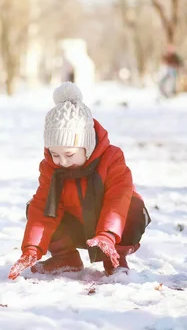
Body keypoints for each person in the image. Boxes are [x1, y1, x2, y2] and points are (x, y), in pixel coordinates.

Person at [9, 82, 150, 280]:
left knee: (132, 206)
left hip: (113, 228)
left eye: (69, 154)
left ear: (87, 145)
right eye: (55, 154)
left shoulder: (112, 159)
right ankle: (66, 258)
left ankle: (115, 259)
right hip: (80, 226)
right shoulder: (51, 167)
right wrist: (32, 248)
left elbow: (117, 200)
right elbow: (43, 208)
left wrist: (107, 235)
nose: (62, 162)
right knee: (36, 206)